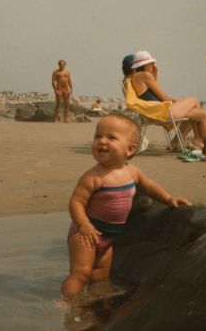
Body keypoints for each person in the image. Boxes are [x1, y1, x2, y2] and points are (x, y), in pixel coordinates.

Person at [60, 114, 191, 300]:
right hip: (86, 235)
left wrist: (169, 199)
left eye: (111, 137)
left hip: (109, 238)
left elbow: (149, 187)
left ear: (130, 150)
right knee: (81, 273)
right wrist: (84, 225)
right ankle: (66, 303)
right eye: (98, 136)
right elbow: (76, 202)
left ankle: (93, 304)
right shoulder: (93, 176)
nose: (102, 141)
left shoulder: (132, 172)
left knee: (100, 276)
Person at [127, 50, 206, 150]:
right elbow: (164, 98)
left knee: (201, 114)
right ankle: (202, 141)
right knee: (194, 100)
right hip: (163, 112)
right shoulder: (145, 75)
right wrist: (179, 102)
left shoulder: (136, 77)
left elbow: (152, 95)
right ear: (144, 65)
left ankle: (178, 142)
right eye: (151, 64)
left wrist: (155, 75)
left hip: (155, 112)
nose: (153, 66)